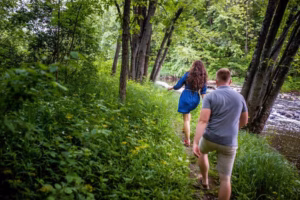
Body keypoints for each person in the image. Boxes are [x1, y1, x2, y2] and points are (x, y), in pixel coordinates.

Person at [193, 68, 248, 200]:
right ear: (231, 81)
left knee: (202, 152)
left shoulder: (211, 96)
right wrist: (233, 129)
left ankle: (205, 181)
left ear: (216, 81)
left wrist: (195, 142)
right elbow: (245, 120)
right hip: (229, 142)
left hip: (210, 138)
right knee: (225, 179)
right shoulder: (240, 97)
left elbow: (203, 120)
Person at [168, 60, 207, 147]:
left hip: (186, 96)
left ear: (193, 66)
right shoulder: (203, 77)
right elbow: (203, 92)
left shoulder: (187, 74)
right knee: (188, 113)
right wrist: (206, 104)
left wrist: (171, 87)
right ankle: (185, 129)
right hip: (195, 98)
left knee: (186, 119)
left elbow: (178, 85)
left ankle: (187, 140)